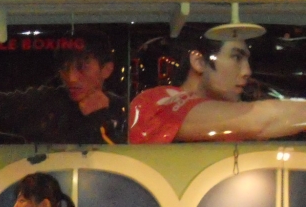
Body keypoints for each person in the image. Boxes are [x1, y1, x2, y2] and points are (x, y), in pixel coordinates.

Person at [0, 29, 127, 145]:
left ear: (107, 69)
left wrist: (99, 117)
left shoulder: (125, 111)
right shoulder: (48, 103)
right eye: (65, 68)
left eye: (82, 67)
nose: (71, 78)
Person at [130, 29, 306, 144]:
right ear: (199, 62)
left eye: (247, 60)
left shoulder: (228, 115)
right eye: (236, 58)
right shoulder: (154, 102)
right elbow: (261, 121)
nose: (247, 71)